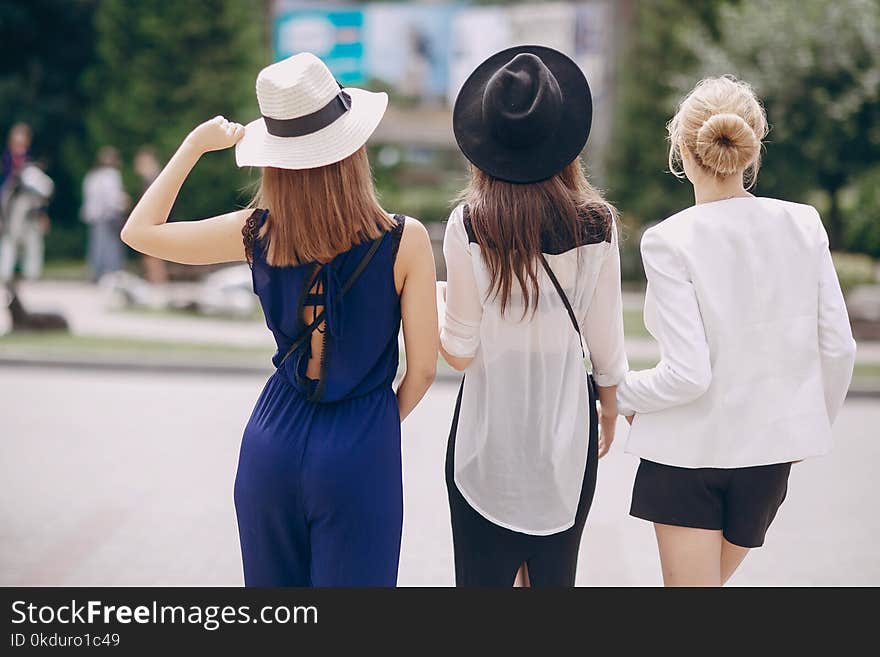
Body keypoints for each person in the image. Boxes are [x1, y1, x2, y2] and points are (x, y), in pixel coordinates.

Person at [121, 53, 438, 587]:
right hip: (360, 445)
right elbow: (424, 369)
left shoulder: (255, 232)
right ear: (353, 149)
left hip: (272, 438)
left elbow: (140, 232)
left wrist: (194, 146)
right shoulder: (405, 241)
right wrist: (372, 428)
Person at [616, 76, 857, 587]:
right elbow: (838, 347)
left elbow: (687, 375)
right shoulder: (804, 223)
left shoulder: (667, 240)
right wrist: (805, 429)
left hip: (685, 456)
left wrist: (616, 390)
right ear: (752, 147)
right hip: (769, 458)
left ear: (682, 147)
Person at [438, 46, 627, 587]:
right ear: (563, 139)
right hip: (567, 438)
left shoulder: (470, 223)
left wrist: (434, 300)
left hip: (484, 442)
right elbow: (607, 345)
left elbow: (460, 350)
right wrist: (607, 411)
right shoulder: (597, 224)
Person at [0, 160, 53, 282]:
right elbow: (7, 201)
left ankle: (30, 274)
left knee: (33, 243)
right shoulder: (27, 178)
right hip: (17, 214)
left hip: (30, 215)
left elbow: (44, 199)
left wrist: (42, 214)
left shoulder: (36, 179)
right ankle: (6, 273)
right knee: (11, 242)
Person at [81, 147, 129, 281]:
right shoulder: (112, 175)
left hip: (94, 216)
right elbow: (113, 198)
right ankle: (112, 272)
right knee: (111, 245)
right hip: (108, 215)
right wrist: (123, 203)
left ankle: (96, 272)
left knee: (96, 245)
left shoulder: (93, 176)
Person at [133, 146, 169, 285]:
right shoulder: (154, 177)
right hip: (156, 218)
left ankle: (157, 280)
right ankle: (156, 279)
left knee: (152, 253)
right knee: (152, 253)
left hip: (155, 219)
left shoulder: (152, 178)